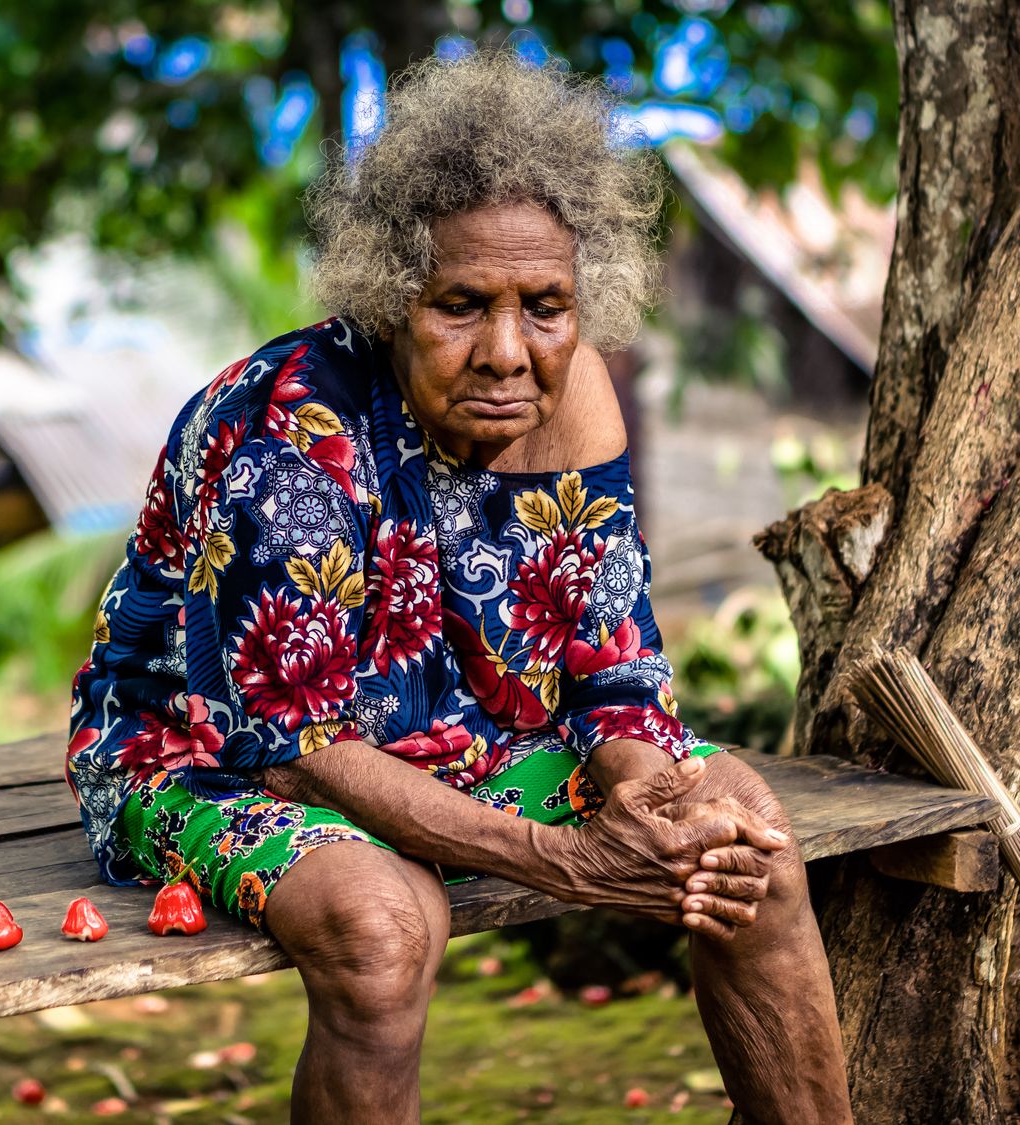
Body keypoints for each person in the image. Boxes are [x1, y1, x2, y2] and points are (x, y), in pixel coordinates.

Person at [66, 49, 853, 1124]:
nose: (506, 351)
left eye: (544, 305)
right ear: (392, 295)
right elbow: (297, 746)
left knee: (740, 835)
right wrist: (565, 862)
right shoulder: (289, 436)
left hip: (456, 740)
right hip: (211, 761)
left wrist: (632, 791)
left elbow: (613, 677)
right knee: (383, 930)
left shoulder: (571, 410)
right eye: (459, 304)